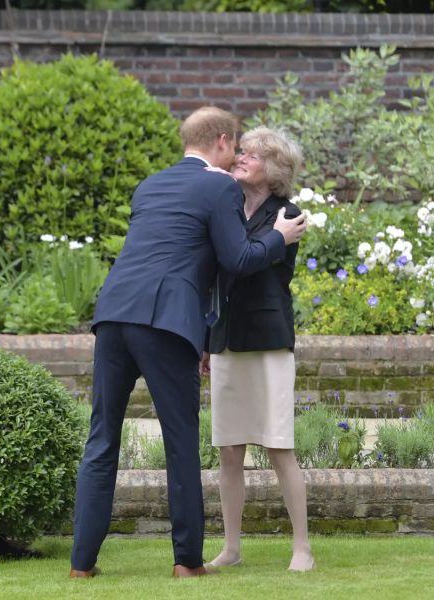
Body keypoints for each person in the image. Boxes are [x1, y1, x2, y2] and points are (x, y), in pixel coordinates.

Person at [69, 107, 307, 579]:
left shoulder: (150, 184)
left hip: (113, 315)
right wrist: (278, 237)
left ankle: (81, 565)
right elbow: (237, 258)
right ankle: (187, 563)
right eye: (234, 145)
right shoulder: (218, 186)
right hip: (164, 322)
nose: (236, 155)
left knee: (100, 441)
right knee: (180, 443)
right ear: (221, 140)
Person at [201, 127, 315, 572]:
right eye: (242, 151)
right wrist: (209, 342)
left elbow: (245, 261)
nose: (242, 157)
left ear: (275, 169)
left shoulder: (289, 214)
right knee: (229, 449)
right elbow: (219, 276)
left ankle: (302, 547)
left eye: (254, 154)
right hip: (227, 340)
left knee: (279, 446)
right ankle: (231, 548)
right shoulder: (227, 207)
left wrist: (274, 238)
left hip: (268, 342)